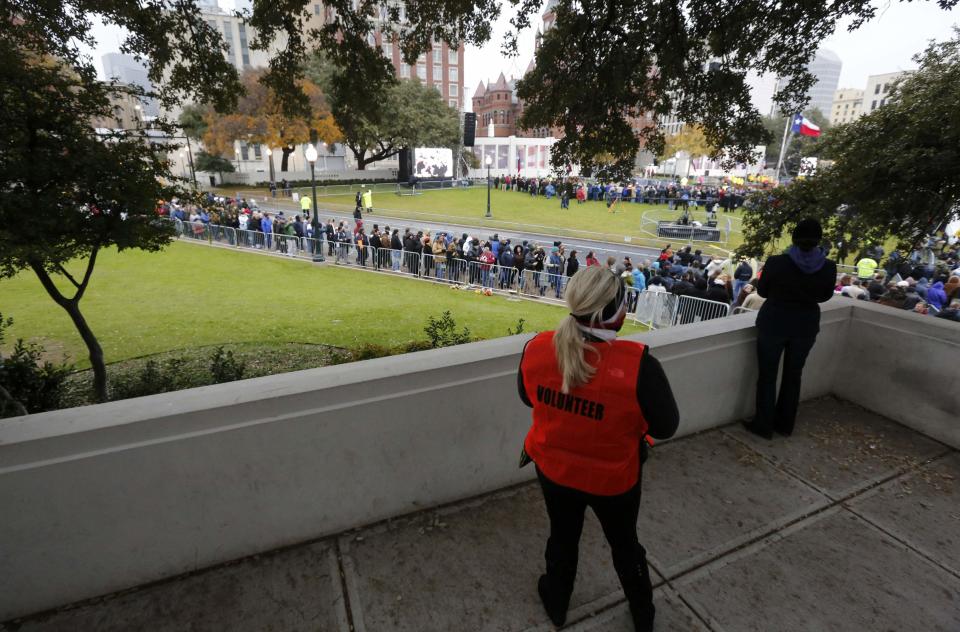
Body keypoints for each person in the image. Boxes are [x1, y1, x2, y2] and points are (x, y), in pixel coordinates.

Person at [517, 266, 679, 632]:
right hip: (614, 480)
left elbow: (528, 398)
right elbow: (665, 427)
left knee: (562, 537)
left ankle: (556, 602)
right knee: (625, 547)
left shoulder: (537, 348)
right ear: (617, 311)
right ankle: (643, 614)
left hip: (554, 471)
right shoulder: (641, 367)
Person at [746, 219, 837, 439]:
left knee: (767, 376)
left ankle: (763, 424)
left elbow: (764, 291)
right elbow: (824, 296)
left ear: (795, 239)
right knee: (793, 376)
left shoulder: (777, 263)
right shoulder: (828, 267)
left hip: (775, 322)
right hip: (805, 325)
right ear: (818, 241)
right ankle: (785, 425)